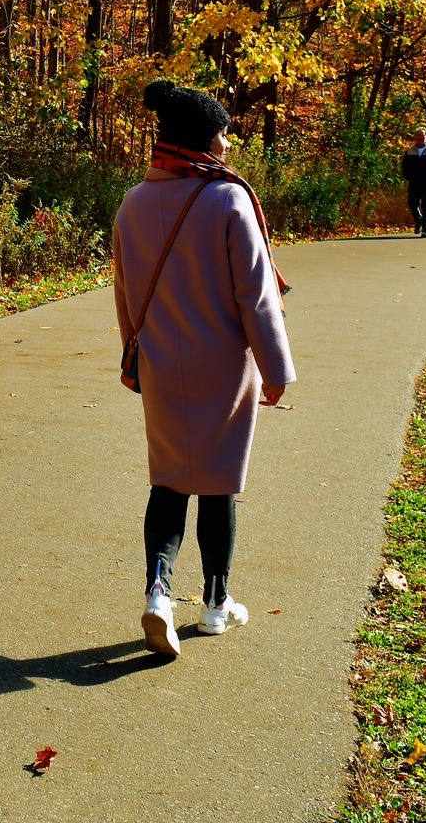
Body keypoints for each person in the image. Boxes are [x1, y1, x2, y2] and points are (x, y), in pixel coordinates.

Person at [112, 80, 295, 657]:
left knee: (167, 481)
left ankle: (158, 594)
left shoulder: (133, 202)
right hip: (223, 365)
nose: (228, 141)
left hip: (162, 366)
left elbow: (124, 292)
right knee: (220, 484)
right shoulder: (228, 200)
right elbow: (256, 294)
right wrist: (276, 366)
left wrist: (133, 356)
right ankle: (216, 604)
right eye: (222, 131)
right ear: (202, 140)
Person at [400, 129, 426, 237]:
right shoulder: (410, 151)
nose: (420, 137)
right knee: (413, 204)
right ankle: (419, 220)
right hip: (414, 182)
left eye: (422, 135)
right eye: (418, 135)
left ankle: (425, 228)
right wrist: (408, 176)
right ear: (415, 137)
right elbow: (404, 167)